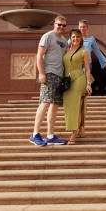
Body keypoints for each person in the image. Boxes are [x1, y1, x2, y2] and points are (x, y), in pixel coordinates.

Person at [29, 15, 69, 146]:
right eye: (59, 24)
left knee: (54, 106)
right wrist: (41, 73)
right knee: (45, 103)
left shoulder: (64, 40)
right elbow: (39, 55)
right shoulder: (48, 36)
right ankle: (35, 134)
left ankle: (50, 135)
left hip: (59, 76)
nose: (61, 27)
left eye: (64, 25)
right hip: (49, 74)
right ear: (54, 24)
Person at [63, 29, 93, 144]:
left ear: (81, 39)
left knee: (76, 107)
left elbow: (87, 69)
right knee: (69, 108)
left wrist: (88, 84)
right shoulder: (65, 51)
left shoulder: (84, 52)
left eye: (78, 37)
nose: (75, 39)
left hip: (79, 80)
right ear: (70, 38)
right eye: (73, 37)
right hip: (66, 83)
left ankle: (73, 134)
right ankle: (79, 127)